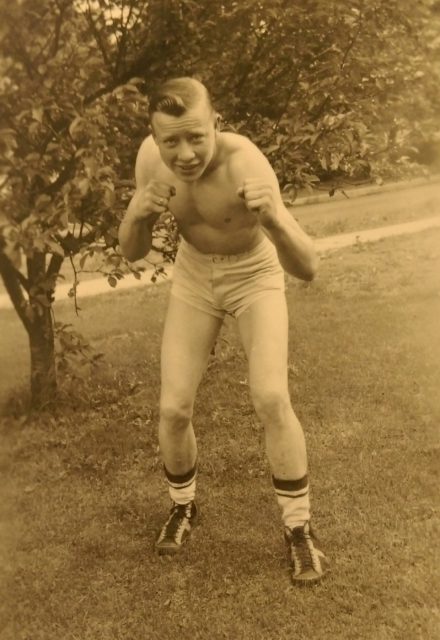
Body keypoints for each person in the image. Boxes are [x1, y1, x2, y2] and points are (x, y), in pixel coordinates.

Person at [118, 77, 329, 585]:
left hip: (254, 274)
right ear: (154, 136)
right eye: (171, 141)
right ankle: (183, 507)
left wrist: (275, 217)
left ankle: (299, 530)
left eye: (196, 137)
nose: (185, 154)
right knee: (173, 407)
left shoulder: (245, 162)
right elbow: (131, 251)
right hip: (194, 276)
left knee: (272, 396)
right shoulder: (150, 160)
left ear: (216, 124)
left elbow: (308, 267)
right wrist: (136, 213)